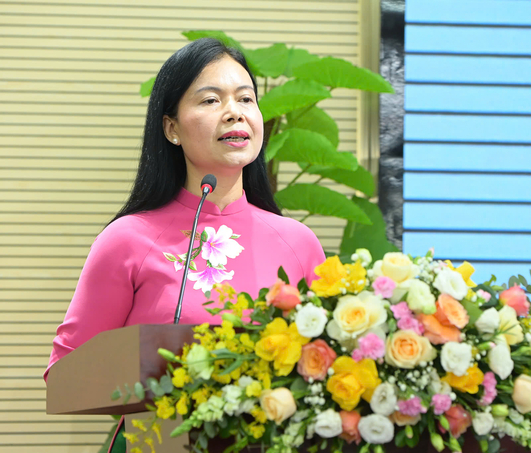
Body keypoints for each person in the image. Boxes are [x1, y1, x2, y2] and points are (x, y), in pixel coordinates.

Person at [45, 38, 326, 378]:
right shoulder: (126, 240)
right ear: (171, 128)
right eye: (211, 99)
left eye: (246, 98)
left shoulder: (299, 243)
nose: (234, 112)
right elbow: (66, 372)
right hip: (158, 431)